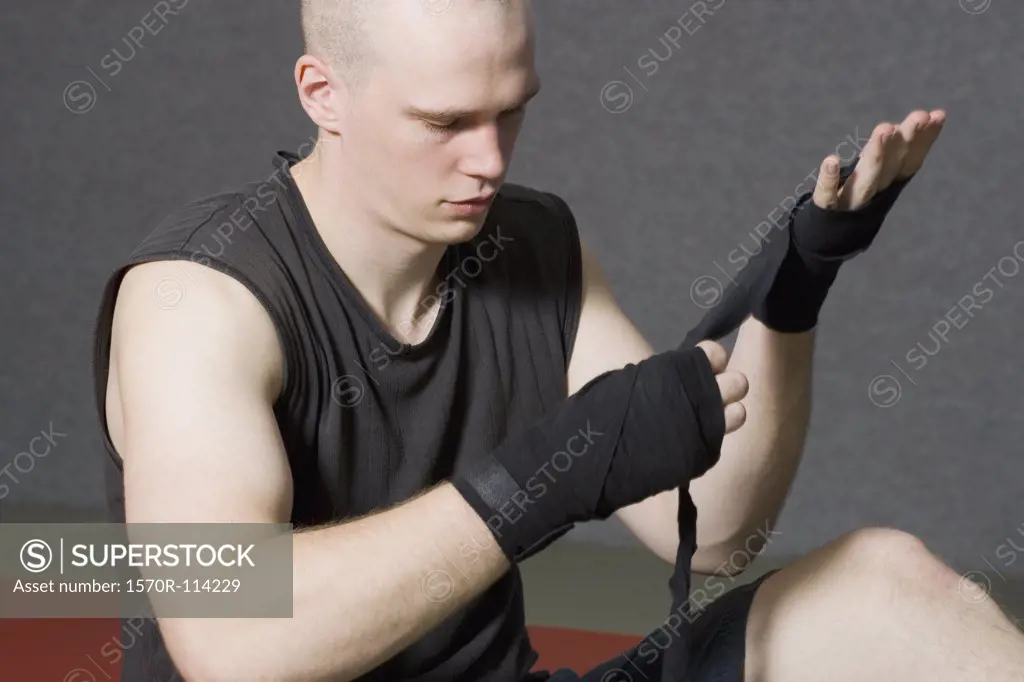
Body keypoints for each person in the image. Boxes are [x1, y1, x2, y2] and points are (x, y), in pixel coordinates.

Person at [89, 1, 1024, 680]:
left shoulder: (531, 245)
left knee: (885, 584)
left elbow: (716, 536)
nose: (491, 161)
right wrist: (546, 476)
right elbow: (232, 641)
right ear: (322, 92)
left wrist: (794, 289)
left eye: (511, 111)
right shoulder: (195, 296)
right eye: (446, 123)